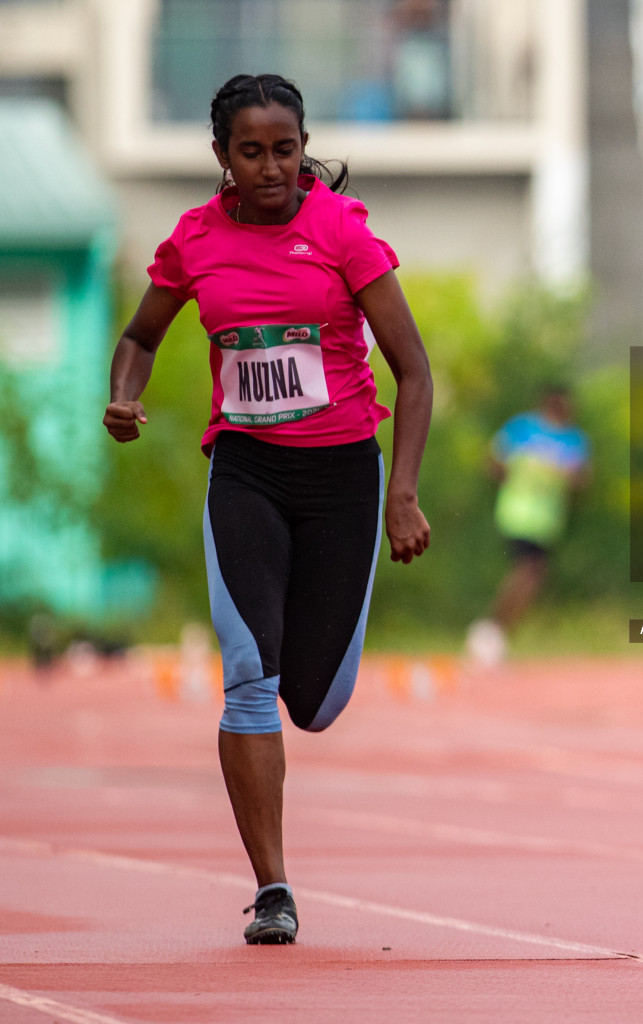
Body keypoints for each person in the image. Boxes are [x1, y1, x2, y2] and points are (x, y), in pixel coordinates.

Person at [102, 73, 433, 945]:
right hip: (245, 470)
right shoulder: (195, 240)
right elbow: (140, 336)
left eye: (285, 148)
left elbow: (415, 370)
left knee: (316, 702)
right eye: (252, 151)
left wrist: (401, 494)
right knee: (248, 674)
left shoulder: (342, 234)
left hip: (342, 480)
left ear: (302, 145)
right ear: (222, 156)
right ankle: (274, 888)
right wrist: (124, 395)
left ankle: (313, 662)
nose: (273, 167)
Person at [465, 386, 589, 664]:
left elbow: (582, 480)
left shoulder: (574, 438)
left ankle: (496, 635)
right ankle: (489, 631)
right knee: (527, 572)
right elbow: (493, 462)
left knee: (534, 577)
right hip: (518, 513)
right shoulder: (523, 428)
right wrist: (518, 477)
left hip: (548, 520)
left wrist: (567, 476)